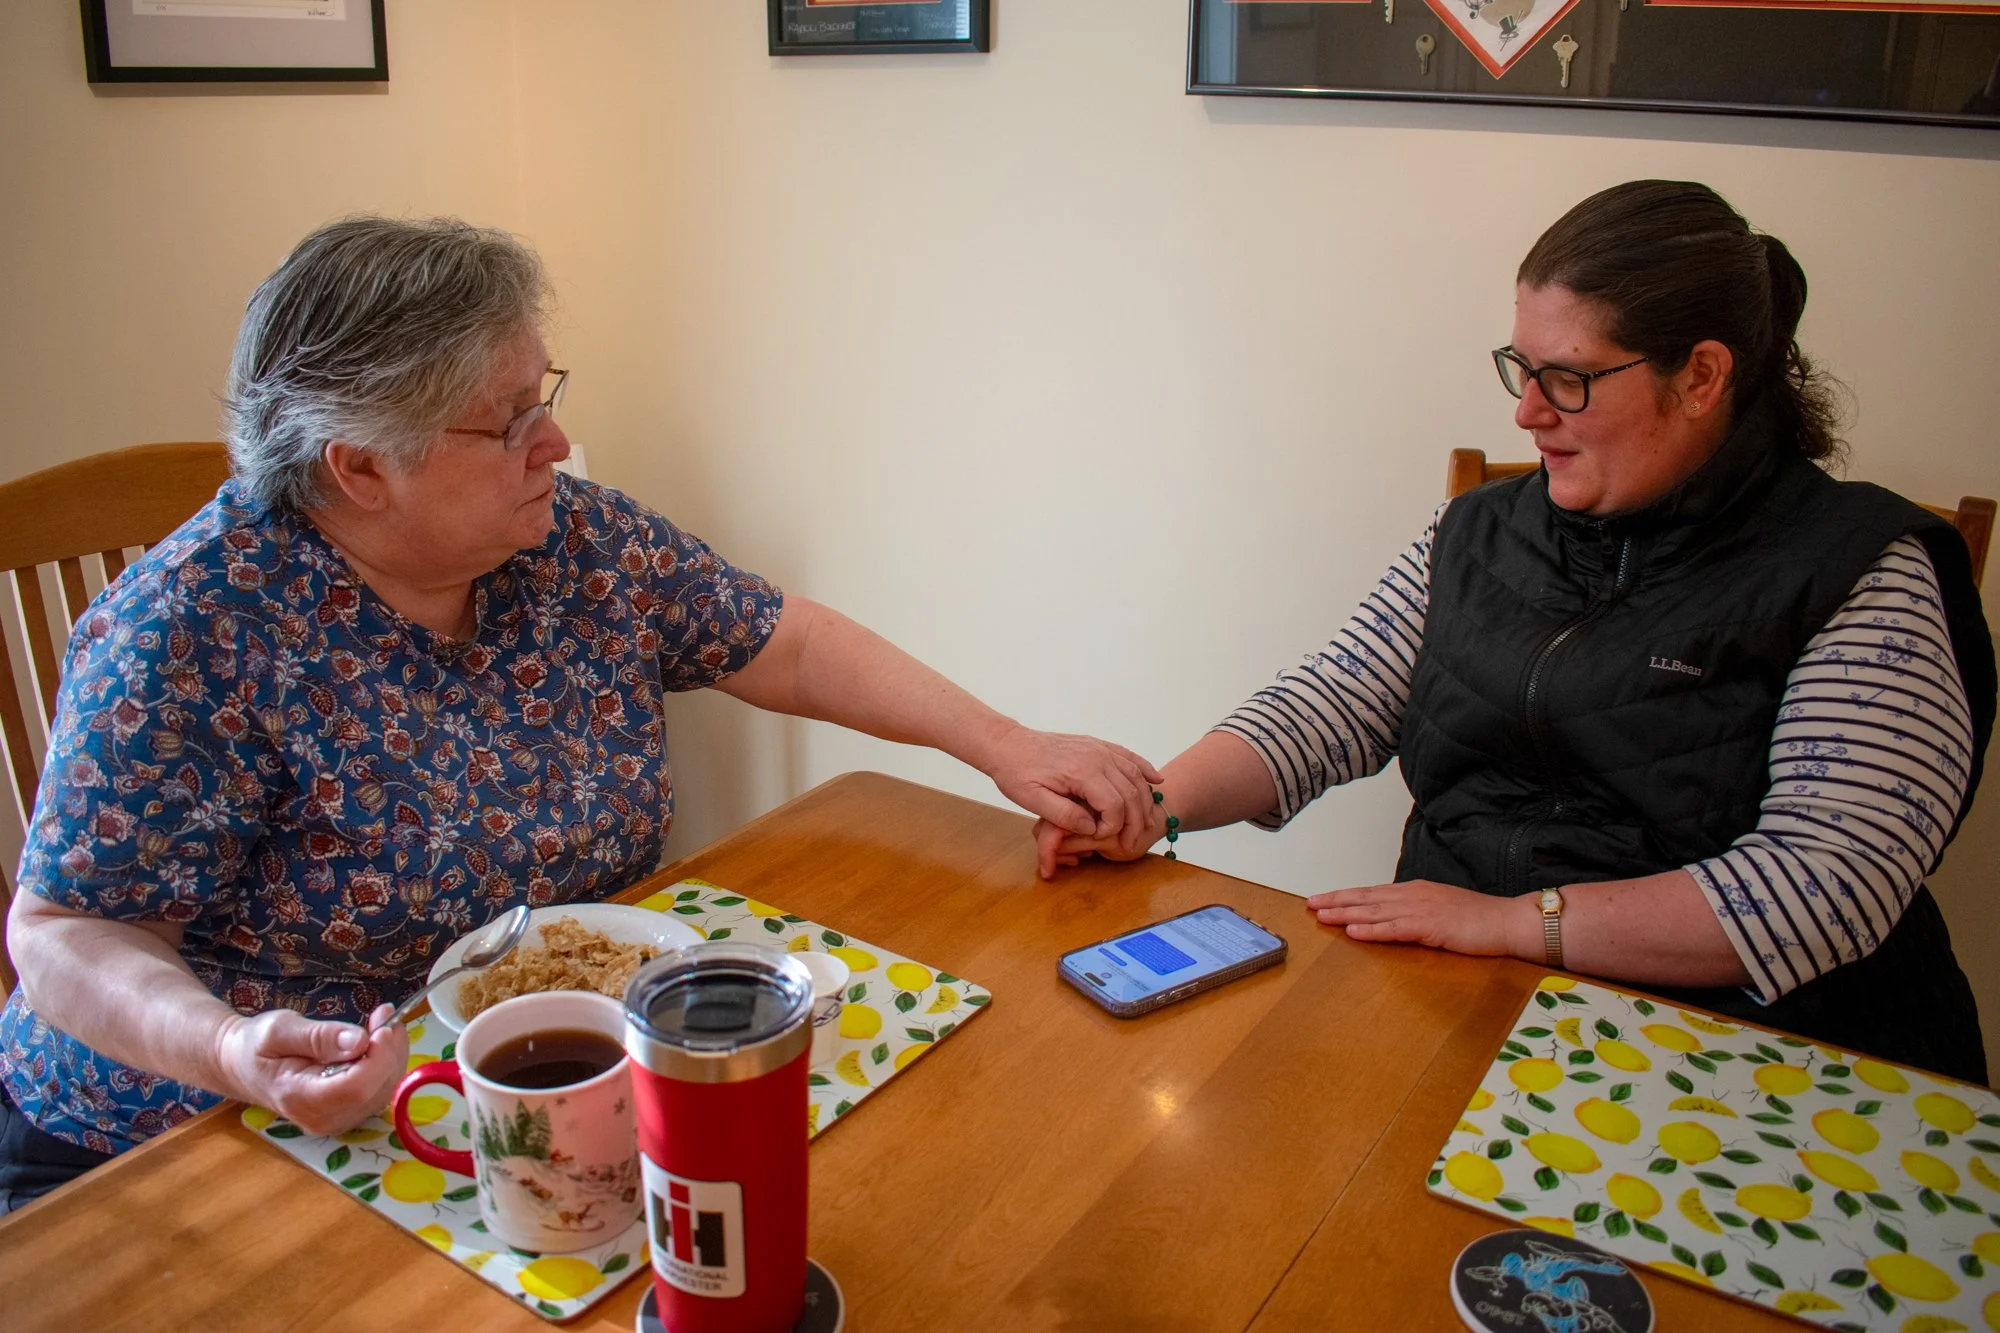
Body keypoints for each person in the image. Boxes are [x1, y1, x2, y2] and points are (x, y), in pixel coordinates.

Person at [0, 216, 1160, 1212]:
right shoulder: (188, 631)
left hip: (510, 1093)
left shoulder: (568, 539)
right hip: (192, 1149)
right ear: (360, 470)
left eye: (541, 396)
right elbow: (63, 937)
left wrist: (1011, 746)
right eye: (506, 422)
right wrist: (226, 1050)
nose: (552, 442)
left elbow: (782, 638)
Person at [1039, 180, 1995, 1085]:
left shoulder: (1864, 568)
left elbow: (1826, 886)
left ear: (1702, 376)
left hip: (1745, 1047)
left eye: (1569, 379)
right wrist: (1154, 807)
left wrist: (1509, 924)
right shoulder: (1481, 530)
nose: (1527, 411)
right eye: (1521, 368)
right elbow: (1333, 701)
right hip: (1464, 993)